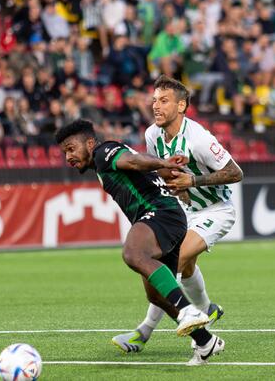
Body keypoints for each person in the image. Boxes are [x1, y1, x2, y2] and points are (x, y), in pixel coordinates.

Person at [56, 119, 225, 366]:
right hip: (169, 216)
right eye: (64, 153)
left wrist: (164, 162)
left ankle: (189, 310)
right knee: (157, 295)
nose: (68, 157)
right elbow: (139, 167)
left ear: (90, 143)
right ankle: (205, 342)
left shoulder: (104, 152)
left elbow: (133, 160)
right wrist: (163, 169)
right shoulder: (102, 164)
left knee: (133, 253)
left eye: (71, 148)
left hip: (160, 213)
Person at [112, 76, 243, 354]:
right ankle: (207, 308)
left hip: (215, 210)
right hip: (183, 209)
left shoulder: (199, 139)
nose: (155, 106)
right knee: (186, 265)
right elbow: (158, 170)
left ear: (181, 106)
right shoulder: (152, 135)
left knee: (174, 260)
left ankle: (143, 332)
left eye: (164, 100)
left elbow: (235, 173)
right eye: (154, 100)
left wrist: (192, 182)